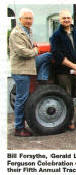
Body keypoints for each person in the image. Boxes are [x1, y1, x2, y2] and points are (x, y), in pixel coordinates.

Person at [9, 8, 52, 137]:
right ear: (20, 19)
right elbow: (22, 51)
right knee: (22, 99)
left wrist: (35, 49)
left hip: (29, 64)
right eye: (26, 18)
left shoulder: (27, 30)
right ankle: (19, 128)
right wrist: (35, 51)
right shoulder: (16, 33)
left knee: (49, 55)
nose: (28, 21)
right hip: (22, 69)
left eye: (30, 18)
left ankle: (42, 79)